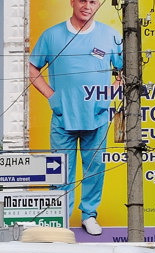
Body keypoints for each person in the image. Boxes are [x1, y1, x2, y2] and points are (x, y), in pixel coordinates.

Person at [28, 0, 122, 237]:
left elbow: (125, 71)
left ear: (98, 4)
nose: (87, 6)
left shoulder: (110, 36)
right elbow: (32, 69)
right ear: (72, 2)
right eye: (82, 0)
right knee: (60, 170)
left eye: (92, 1)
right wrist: (52, 97)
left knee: (95, 169)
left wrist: (108, 96)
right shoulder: (52, 36)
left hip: (97, 116)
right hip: (63, 117)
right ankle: (60, 219)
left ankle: (89, 215)